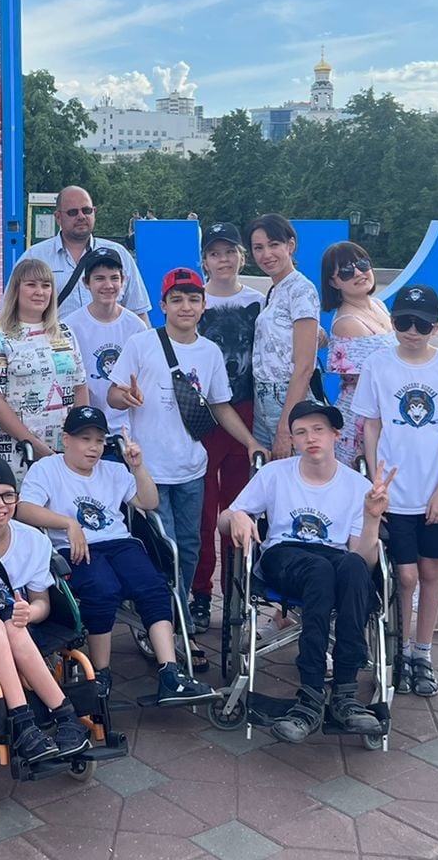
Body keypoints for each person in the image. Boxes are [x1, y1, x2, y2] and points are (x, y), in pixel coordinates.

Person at [18, 405, 216, 705]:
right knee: (102, 589)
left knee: (154, 586)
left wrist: (138, 467)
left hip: (120, 543)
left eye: (99, 440)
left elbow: (149, 502)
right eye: (85, 439)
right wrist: (68, 523)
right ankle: (101, 673)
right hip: (75, 548)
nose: (93, 447)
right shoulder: (47, 469)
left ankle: (170, 673)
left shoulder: (113, 470)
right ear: (66, 440)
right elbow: (23, 510)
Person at [220, 400, 392, 743]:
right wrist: (236, 516)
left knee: (353, 567)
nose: (310, 438)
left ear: (335, 435)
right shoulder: (274, 474)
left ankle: (344, 694)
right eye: (301, 432)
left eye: (318, 430)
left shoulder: (356, 486)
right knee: (319, 570)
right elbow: (225, 520)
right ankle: (311, 695)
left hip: (333, 559)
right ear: (293, 440)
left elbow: (363, 559)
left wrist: (372, 518)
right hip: (283, 556)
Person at [109, 267, 261, 601]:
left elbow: (220, 405)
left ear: (204, 306)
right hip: (150, 469)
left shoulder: (209, 352)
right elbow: (113, 394)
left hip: (192, 468)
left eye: (193, 299)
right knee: (166, 546)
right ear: (163, 305)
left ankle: (178, 608)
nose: (186, 307)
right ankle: (173, 617)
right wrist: (125, 396)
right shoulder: (141, 344)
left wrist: (250, 442)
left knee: (190, 544)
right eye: (176, 300)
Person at [354, 285, 438, 699]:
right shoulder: (378, 364)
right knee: (404, 576)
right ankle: (401, 650)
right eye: (403, 321)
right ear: (393, 322)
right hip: (395, 491)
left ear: (436, 327)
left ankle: (423, 653)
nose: (412, 331)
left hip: (436, 490)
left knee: (430, 572)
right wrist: (375, 479)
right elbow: (371, 424)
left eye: (422, 324)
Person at [0, 456, 92, 763]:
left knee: (13, 625)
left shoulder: (33, 540)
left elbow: (42, 603)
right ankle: (24, 721)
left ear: (16, 500)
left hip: (22, 627)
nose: (0, 504)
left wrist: (30, 613)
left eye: (7, 496)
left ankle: (65, 718)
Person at [190, 222, 263, 634]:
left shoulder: (258, 302)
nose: (223, 260)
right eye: (215, 253)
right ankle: (201, 593)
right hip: (202, 420)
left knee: (239, 509)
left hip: (246, 415)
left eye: (230, 251)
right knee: (203, 513)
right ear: (205, 260)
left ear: (241, 256)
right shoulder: (193, 301)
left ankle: (237, 592)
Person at [0, 256, 87, 467]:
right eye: (31, 285)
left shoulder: (65, 332)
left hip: (67, 451)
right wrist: (35, 447)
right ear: (16, 290)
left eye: (46, 285)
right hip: (20, 454)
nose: (40, 292)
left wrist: (80, 435)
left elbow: (80, 386)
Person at [247, 214, 321, 459]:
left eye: (274, 244)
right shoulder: (276, 290)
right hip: (262, 398)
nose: (266, 254)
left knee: (295, 474)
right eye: (258, 248)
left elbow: (305, 366)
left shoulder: (301, 289)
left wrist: (285, 427)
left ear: (290, 245)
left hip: (287, 398)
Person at [319, 241, 396, 470]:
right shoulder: (347, 323)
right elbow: (370, 380)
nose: (358, 273)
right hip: (361, 419)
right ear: (333, 282)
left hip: (386, 411)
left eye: (362, 264)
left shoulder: (379, 305)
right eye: (346, 271)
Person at [23, 185, 150, 319]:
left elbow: (139, 313)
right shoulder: (35, 257)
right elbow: (13, 312)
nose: (81, 216)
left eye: (87, 210)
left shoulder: (119, 254)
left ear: (94, 212)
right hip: (54, 333)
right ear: (58, 217)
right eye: (73, 212)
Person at [64, 247, 149, 439]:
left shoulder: (136, 326)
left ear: (123, 280)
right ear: (86, 283)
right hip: (88, 430)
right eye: (100, 278)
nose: (108, 285)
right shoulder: (70, 326)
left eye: (114, 278)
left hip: (129, 431)